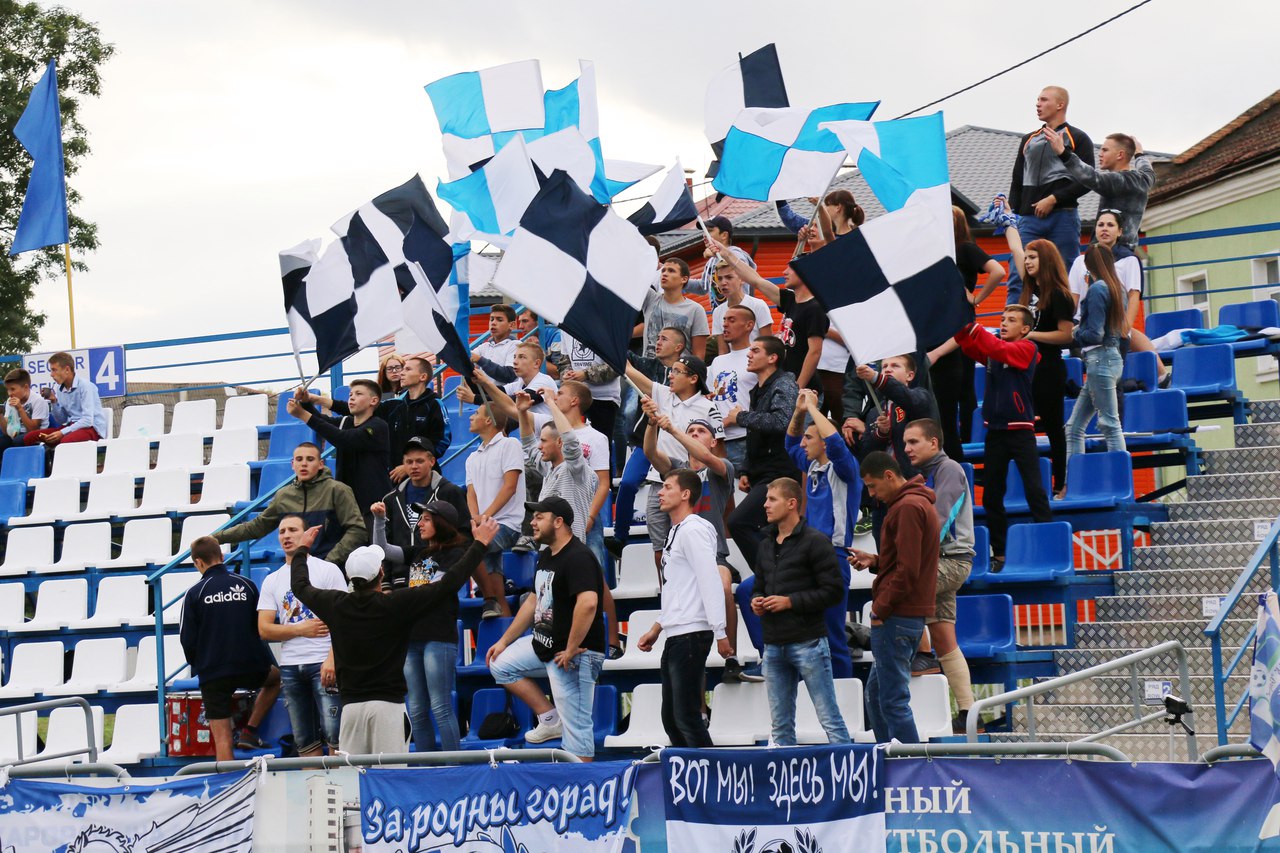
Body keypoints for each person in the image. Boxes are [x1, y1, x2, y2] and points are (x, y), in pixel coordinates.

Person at [289, 517, 499, 755]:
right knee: (390, 774)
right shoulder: (396, 603)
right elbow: (448, 584)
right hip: (388, 709)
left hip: (350, 710)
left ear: (350, 577)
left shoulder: (335, 604)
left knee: (354, 776)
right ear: (381, 573)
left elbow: (300, 585)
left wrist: (302, 550)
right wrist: (479, 544)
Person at [486, 496, 607, 761]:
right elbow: (533, 600)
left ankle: (581, 783)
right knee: (500, 663)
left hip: (574, 656)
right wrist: (504, 641)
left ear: (559, 522)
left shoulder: (578, 557)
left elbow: (588, 603)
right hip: (546, 646)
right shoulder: (546, 554)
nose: (533, 522)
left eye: (539, 517)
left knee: (577, 732)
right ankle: (550, 719)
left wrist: (571, 648)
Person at [643, 409, 757, 683]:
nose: (694, 434)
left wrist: (674, 430)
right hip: (681, 556)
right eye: (691, 431)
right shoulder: (678, 471)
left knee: (723, 584)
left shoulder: (722, 467)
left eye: (701, 431)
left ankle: (730, 658)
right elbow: (650, 452)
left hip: (714, 553)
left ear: (714, 441)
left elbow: (705, 458)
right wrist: (651, 424)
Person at [636, 469, 733, 747]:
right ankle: (687, 769)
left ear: (685, 494)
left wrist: (720, 631)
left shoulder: (694, 529)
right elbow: (677, 588)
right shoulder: (677, 531)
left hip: (692, 633)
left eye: (667, 487)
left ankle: (708, 771)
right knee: (671, 718)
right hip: (677, 632)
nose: (660, 492)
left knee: (687, 716)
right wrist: (657, 628)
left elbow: (710, 580)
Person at [751, 477, 851, 745]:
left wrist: (790, 602)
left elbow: (834, 592)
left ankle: (851, 768)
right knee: (780, 727)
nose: (765, 504)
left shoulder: (816, 541)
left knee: (830, 719)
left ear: (792, 503)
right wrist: (757, 600)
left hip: (808, 642)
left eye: (772, 499)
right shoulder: (766, 544)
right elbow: (758, 585)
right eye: (766, 499)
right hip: (773, 645)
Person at [849, 452, 939, 744]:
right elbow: (907, 563)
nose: (871, 494)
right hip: (905, 615)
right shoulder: (914, 503)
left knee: (891, 701)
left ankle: (909, 764)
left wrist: (881, 609)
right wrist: (876, 561)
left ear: (889, 475)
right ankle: (891, 758)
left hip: (897, 616)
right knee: (877, 696)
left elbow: (908, 570)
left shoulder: (907, 507)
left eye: (872, 486)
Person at [954, 308, 1053, 571]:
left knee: (1034, 491)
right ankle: (999, 554)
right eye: (1002, 319)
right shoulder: (995, 351)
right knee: (991, 496)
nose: (1004, 323)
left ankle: (1048, 547)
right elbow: (969, 347)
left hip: (1021, 432)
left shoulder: (1027, 348)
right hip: (995, 433)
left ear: (1025, 329)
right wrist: (958, 324)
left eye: (1011, 320)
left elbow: (996, 348)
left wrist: (974, 326)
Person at [372, 499, 469, 752]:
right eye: (421, 519)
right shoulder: (418, 552)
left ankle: (452, 766)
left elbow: (434, 590)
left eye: (426, 519)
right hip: (411, 636)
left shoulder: (456, 553)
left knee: (441, 706)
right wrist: (380, 521)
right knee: (415, 709)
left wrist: (399, 598)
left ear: (441, 523)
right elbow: (381, 550)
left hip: (438, 636)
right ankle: (425, 764)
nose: (420, 524)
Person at [901, 419, 977, 731]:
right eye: (905, 443)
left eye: (913, 442)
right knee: (945, 637)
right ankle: (970, 714)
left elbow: (938, 521)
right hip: (937, 562)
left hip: (950, 561)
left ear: (934, 443)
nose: (907, 449)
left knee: (900, 591)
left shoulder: (949, 470)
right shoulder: (923, 475)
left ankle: (923, 654)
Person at [181, 535, 281, 761]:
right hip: (250, 666)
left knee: (223, 741)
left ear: (198, 562)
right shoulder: (247, 585)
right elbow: (260, 627)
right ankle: (250, 730)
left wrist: (201, 666)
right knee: (276, 679)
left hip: (214, 672)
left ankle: (229, 782)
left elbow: (187, 639)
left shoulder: (194, 593)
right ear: (222, 556)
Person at [256, 514, 345, 757]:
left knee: (336, 736)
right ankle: (312, 782)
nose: (286, 535)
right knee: (304, 740)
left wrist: (333, 658)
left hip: (323, 661)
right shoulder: (272, 580)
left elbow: (343, 620)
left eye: (293, 530)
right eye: (282, 531)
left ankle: (340, 781)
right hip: (290, 666)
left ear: (306, 535)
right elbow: (264, 629)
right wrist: (300, 629)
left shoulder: (327, 570)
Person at [625, 354, 724, 560]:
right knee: (659, 547)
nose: (670, 375)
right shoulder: (663, 394)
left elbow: (718, 453)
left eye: (677, 371)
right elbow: (630, 371)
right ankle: (664, 583)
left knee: (688, 544)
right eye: (672, 371)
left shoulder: (709, 407)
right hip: (658, 479)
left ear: (693, 378)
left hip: (692, 482)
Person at [777, 190, 864, 421]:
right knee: (808, 428)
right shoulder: (802, 270)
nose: (811, 228)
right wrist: (799, 241)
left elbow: (849, 337)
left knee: (840, 422)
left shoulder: (836, 270)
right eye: (810, 226)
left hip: (835, 363)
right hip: (805, 362)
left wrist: (818, 329)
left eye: (817, 225)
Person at [1005, 86, 1094, 305]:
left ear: (1060, 104)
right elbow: (1017, 181)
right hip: (1028, 219)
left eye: (1044, 100)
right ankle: (1015, 318)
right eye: (1037, 100)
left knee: (1066, 273)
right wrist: (1012, 215)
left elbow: (1088, 180)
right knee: (1019, 273)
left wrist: (1054, 199)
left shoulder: (1078, 138)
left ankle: (1067, 321)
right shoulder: (1028, 139)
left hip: (1063, 216)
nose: (1038, 104)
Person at [930, 208, 1008, 459]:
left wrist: (976, 298)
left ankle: (965, 440)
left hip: (961, 325)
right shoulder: (937, 252)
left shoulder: (965, 248)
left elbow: (998, 271)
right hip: (940, 327)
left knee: (963, 386)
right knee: (948, 391)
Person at [215, 442, 367, 566]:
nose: (304, 464)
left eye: (310, 459)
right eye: (299, 460)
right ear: (292, 464)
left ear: (321, 464)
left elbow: (357, 530)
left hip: (333, 569)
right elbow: (256, 527)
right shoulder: (283, 495)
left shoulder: (337, 490)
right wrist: (216, 538)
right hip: (296, 570)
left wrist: (329, 562)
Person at [1007, 230, 1075, 493]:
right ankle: (1025, 487)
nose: (1027, 261)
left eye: (1033, 257)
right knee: (1021, 428)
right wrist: (1010, 223)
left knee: (1054, 428)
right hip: (1025, 368)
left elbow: (1066, 335)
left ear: (1045, 260)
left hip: (1048, 369)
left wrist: (1031, 335)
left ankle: (1060, 484)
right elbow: (1015, 250)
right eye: (1027, 258)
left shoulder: (1059, 294)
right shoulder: (1029, 290)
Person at [712, 241, 828, 394]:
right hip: (783, 384)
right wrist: (726, 253)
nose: (784, 272)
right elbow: (756, 281)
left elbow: (814, 352)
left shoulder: (815, 309)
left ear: (805, 273)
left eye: (791, 268)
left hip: (803, 390)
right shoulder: (790, 300)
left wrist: (797, 388)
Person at [1067, 210, 1168, 385]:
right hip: (1083, 323)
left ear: (1120, 231)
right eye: (1100, 225)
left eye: (1110, 225)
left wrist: (1125, 328)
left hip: (1113, 323)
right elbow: (1073, 298)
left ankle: (1162, 375)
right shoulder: (1080, 262)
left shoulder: (1128, 260)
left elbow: (1134, 296)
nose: (1104, 229)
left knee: (1123, 332)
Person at [304, 355, 450, 474]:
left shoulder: (434, 404)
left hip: (424, 476)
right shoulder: (394, 405)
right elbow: (359, 408)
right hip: (395, 476)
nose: (401, 373)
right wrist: (316, 399)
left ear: (422, 377)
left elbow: (442, 441)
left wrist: (411, 465)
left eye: (407, 369)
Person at [726, 336, 801, 569]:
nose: (749, 354)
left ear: (772, 358)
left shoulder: (785, 384)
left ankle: (774, 574)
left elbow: (781, 421)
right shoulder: (758, 389)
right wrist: (747, 469)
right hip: (764, 472)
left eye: (755, 350)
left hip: (780, 473)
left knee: (738, 522)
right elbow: (756, 435)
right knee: (767, 532)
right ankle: (776, 574)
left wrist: (740, 417)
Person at [610, 326, 688, 546]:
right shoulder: (647, 365)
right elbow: (622, 358)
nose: (657, 342)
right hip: (647, 441)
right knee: (627, 483)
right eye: (657, 338)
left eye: (664, 339)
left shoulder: (689, 372)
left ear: (679, 347)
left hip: (677, 444)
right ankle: (620, 537)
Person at [290, 379, 393, 526]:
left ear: (374, 400)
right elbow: (321, 421)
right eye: (350, 394)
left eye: (358, 394)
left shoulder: (378, 426)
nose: (352, 398)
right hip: (347, 505)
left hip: (373, 506)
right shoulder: (346, 422)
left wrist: (302, 415)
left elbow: (344, 439)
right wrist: (306, 403)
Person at [1065, 244, 1130, 475]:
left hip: (1099, 359)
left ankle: (1120, 480)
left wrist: (1076, 333)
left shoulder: (1097, 289)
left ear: (1088, 266)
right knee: (1073, 427)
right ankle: (1073, 482)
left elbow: (1094, 334)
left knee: (1110, 425)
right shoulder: (1118, 288)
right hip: (1111, 358)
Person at [465, 401, 525, 618]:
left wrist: (484, 517)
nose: (471, 417)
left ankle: (488, 600)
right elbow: (471, 493)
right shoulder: (472, 457)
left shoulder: (510, 445)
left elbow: (510, 487)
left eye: (476, 413)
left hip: (508, 524)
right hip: (485, 526)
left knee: (468, 549)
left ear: (489, 420)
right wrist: (476, 517)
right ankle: (499, 613)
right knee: (499, 594)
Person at [1049, 130, 1154, 251]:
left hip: (1107, 252)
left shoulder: (1117, 181)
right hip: (1127, 250)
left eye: (1105, 150)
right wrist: (1139, 154)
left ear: (1120, 155)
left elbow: (1090, 177)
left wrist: (1063, 153)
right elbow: (1149, 172)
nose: (1100, 154)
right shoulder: (1143, 180)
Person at [786, 389, 860, 548]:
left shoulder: (845, 468)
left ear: (825, 442)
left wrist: (812, 407)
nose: (802, 444)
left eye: (808, 438)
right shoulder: (812, 465)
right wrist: (799, 410)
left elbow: (835, 442)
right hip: (809, 549)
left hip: (834, 551)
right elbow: (791, 445)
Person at [377, 437, 470, 554]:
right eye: (409, 462)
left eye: (420, 461)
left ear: (432, 462)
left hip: (440, 563)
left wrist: (449, 561)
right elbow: (387, 539)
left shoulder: (450, 492)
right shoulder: (391, 499)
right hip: (401, 564)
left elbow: (465, 534)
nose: (414, 466)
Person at [552, 331, 620, 473]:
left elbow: (617, 365)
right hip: (574, 397)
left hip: (604, 397)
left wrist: (586, 374)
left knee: (600, 451)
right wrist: (566, 374)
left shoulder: (607, 327)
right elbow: (564, 361)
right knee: (569, 444)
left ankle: (604, 484)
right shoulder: (566, 328)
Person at [708, 304, 759, 472]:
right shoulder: (717, 361)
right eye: (724, 320)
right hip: (718, 440)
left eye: (732, 320)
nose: (725, 324)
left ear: (749, 325)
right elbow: (710, 397)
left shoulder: (757, 357)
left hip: (745, 438)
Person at [24, 352, 107, 446]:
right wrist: (53, 401)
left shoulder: (85, 386)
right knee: (30, 437)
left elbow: (88, 420)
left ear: (67, 369)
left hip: (92, 429)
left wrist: (62, 432)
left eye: (54, 370)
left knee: (65, 442)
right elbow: (62, 420)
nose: (51, 374)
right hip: (72, 427)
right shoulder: (59, 389)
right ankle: (46, 455)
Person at [466, 341, 558, 419]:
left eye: (522, 357)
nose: (515, 361)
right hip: (535, 433)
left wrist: (475, 398)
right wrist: (469, 373)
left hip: (551, 433)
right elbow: (493, 392)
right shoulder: (519, 383)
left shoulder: (544, 381)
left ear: (536, 363)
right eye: (514, 357)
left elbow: (512, 402)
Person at [641, 259, 709, 361]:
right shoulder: (650, 298)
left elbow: (698, 355)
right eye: (663, 271)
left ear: (684, 279)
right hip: (647, 368)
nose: (665, 274)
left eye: (671, 271)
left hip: (677, 369)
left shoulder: (695, 310)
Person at [692, 215, 756, 306]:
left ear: (724, 235)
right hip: (720, 312)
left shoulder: (735, 253)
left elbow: (741, 272)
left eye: (709, 231)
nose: (704, 235)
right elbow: (703, 286)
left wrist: (716, 255)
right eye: (704, 231)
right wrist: (681, 282)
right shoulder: (711, 261)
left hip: (739, 310)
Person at [710, 264, 772, 351]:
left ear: (742, 279)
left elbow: (768, 345)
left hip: (757, 357)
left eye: (729, 277)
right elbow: (723, 350)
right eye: (720, 279)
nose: (723, 283)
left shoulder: (758, 305)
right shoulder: (718, 312)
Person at [0, 367, 49, 456]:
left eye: (13, 389)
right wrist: (0, 416)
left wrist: (20, 409)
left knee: (17, 441)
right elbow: (7, 431)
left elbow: (33, 430)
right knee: (2, 442)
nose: (9, 393)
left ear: (26, 387)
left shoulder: (38, 401)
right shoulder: (10, 401)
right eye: (8, 390)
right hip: (17, 434)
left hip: (39, 435)